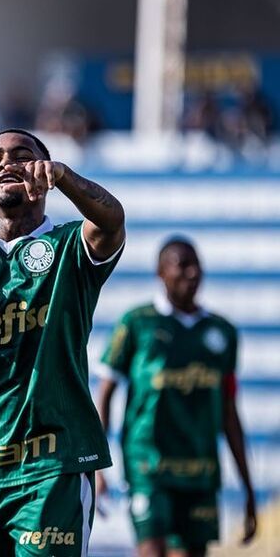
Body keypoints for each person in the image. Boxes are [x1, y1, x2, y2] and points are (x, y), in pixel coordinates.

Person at [0, 129, 126, 556]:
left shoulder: (71, 244)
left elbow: (111, 220)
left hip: (52, 466)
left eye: (22, 155)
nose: (7, 162)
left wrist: (66, 177)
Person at [95, 238, 257, 557]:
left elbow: (229, 411)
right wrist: (99, 467)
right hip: (148, 466)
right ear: (160, 272)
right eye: (182, 265)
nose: (192, 273)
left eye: (196, 265)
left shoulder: (222, 332)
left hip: (200, 470)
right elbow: (105, 395)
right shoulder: (137, 324)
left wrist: (248, 487)